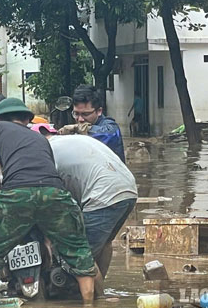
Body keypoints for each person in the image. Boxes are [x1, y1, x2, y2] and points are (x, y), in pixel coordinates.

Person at [0, 97, 97, 304]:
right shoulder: (40, 138)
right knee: (78, 251)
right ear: (25, 119)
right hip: (54, 193)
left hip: (16, 193)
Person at [32, 124, 138, 296]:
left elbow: (54, 202)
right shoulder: (72, 140)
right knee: (104, 244)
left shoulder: (46, 153)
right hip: (128, 189)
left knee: (81, 254)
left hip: (103, 194)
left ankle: (98, 299)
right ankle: (98, 287)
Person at [69, 84, 126, 162]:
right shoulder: (77, 132)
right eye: (76, 114)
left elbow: (110, 134)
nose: (80, 119)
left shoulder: (110, 127)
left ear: (99, 111)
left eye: (85, 114)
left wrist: (79, 129)